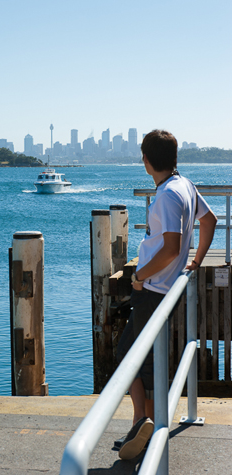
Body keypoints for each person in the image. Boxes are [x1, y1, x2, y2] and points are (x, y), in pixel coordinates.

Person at [116, 130, 217, 460]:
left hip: (153, 289)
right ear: (174, 158)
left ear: (146, 161)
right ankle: (140, 425)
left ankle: (141, 423)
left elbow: (171, 248)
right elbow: (210, 220)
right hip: (167, 288)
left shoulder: (166, 196)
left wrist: (139, 277)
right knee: (141, 359)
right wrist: (197, 261)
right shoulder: (184, 186)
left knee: (129, 358)